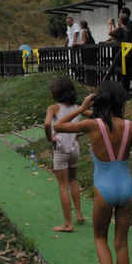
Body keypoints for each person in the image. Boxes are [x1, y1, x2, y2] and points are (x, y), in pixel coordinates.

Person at [54, 81, 132, 264]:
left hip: (104, 189)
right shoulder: (131, 126)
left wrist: (80, 108)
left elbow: (59, 126)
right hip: (126, 188)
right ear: (121, 102)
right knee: (121, 244)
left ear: (100, 100)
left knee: (100, 238)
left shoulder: (92, 125)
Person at [43, 76, 90, 232]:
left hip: (61, 149)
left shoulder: (53, 108)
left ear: (55, 91)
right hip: (74, 148)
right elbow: (94, 118)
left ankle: (68, 223)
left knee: (63, 186)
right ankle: (79, 214)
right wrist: (80, 133)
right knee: (73, 180)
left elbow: (47, 123)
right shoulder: (78, 108)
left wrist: (51, 139)